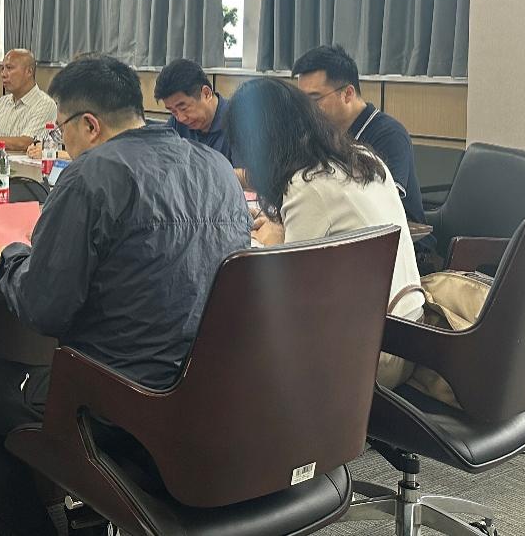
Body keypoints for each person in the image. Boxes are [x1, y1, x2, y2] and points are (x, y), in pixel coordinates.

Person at [0, 56, 249, 536]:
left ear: (89, 125)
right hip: (210, 394)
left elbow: (44, 309)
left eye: (60, 129)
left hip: (116, 398)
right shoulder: (216, 167)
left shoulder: (91, 175)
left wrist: (10, 258)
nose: (61, 141)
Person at [226, 76, 425, 388]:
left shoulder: (306, 185)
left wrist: (264, 245)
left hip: (373, 356)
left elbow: (289, 296)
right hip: (411, 334)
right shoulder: (362, 158)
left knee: (235, 333)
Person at [290, 45, 424, 222]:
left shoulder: (390, 135)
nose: (306, 109)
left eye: (314, 99)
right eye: (302, 101)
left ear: (347, 94)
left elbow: (381, 202)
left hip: (399, 234)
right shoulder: (316, 132)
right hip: (339, 227)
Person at [154, 59, 240, 167]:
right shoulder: (176, 123)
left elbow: (248, 175)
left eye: (184, 108)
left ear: (206, 94)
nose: (181, 118)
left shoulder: (238, 122)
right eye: (173, 111)